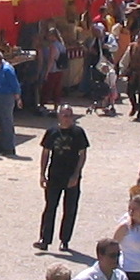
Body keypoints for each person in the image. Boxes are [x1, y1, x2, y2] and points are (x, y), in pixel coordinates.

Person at [34, 105, 90, 253]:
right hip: (54, 175)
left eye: (70, 115)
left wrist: (76, 175)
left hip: (71, 176)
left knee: (70, 209)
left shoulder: (78, 133)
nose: (67, 118)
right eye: (65, 115)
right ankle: (44, 240)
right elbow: (45, 153)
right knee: (50, 208)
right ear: (59, 116)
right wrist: (42, 174)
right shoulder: (51, 132)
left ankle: (65, 240)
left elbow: (82, 155)